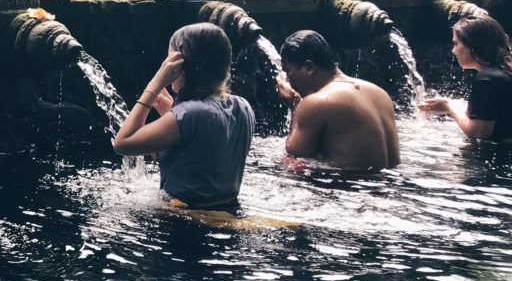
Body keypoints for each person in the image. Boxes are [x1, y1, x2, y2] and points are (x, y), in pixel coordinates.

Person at [113, 22, 254, 211]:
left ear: (182, 65)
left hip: (184, 220)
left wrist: (154, 86)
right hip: (228, 209)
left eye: (169, 61)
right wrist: (169, 112)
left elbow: (122, 144)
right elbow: (198, 150)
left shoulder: (189, 114)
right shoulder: (243, 106)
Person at [276, 30, 400, 169]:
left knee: (290, 163)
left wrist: (294, 104)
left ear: (309, 67)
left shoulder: (317, 102)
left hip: (354, 186)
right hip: (392, 185)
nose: (287, 79)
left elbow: (296, 154)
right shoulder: (379, 93)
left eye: (287, 70)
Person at [420, 15, 512, 141]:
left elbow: (478, 132)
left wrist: (449, 107)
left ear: (472, 45)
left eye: (456, 44)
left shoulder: (487, 78)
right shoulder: (504, 72)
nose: (453, 51)